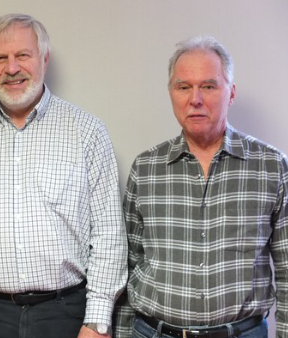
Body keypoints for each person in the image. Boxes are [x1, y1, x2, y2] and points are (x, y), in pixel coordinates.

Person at [0, 13, 127, 338]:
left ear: (44, 58)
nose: (11, 68)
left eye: (22, 55)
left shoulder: (86, 131)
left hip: (64, 313)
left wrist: (97, 321)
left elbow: (109, 233)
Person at [113, 35, 288, 338]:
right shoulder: (146, 169)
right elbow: (129, 265)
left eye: (208, 86)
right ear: (171, 93)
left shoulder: (271, 166)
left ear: (230, 93)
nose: (195, 99)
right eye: (184, 87)